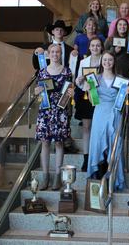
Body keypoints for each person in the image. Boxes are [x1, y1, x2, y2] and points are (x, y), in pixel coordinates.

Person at [32, 20, 78, 154]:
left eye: (61, 30)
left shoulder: (70, 50)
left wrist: (77, 56)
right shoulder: (44, 48)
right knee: (46, 140)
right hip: (47, 95)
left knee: (66, 117)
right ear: (52, 32)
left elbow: (75, 67)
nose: (59, 31)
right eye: (56, 29)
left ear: (64, 33)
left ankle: (67, 143)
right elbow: (37, 65)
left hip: (64, 89)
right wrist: (36, 53)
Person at [87, 51, 129, 189]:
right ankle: (96, 177)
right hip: (99, 113)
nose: (107, 62)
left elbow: (123, 100)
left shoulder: (121, 79)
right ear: (101, 61)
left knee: (115, 145)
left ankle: (116, 180)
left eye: (110, 60)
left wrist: (128, 91)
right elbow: (93, 100)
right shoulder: (94, 79)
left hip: (115, 113)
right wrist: (88, 90)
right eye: (105, 60)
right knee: (97, 143)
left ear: (114, 62)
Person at [35, 44, 74, 190]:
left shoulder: (67, 71)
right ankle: (45, 177)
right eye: (52, 52)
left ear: (60, 54)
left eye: (57, 52)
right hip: (45, 110)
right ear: (48, 54)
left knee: (59, 143)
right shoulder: (42, 72)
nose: (55, 54)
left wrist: (71, 93)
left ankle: (58, 177)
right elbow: (37, 90)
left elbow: (70, 90)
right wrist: (36, 91)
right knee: (44, 142)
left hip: (60, 110)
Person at [75, 37, 103, 171]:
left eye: (98, 45)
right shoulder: (83, 61)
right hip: (86, 96)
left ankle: (99, 157)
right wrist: (79, 80)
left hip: (100, 97)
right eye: (93, 45)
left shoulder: (105, 60)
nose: (95, 48)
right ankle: (86, 158)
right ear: (89, 47)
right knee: (86, 128)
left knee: (99, 129)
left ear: (101, 47)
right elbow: (78, 82)